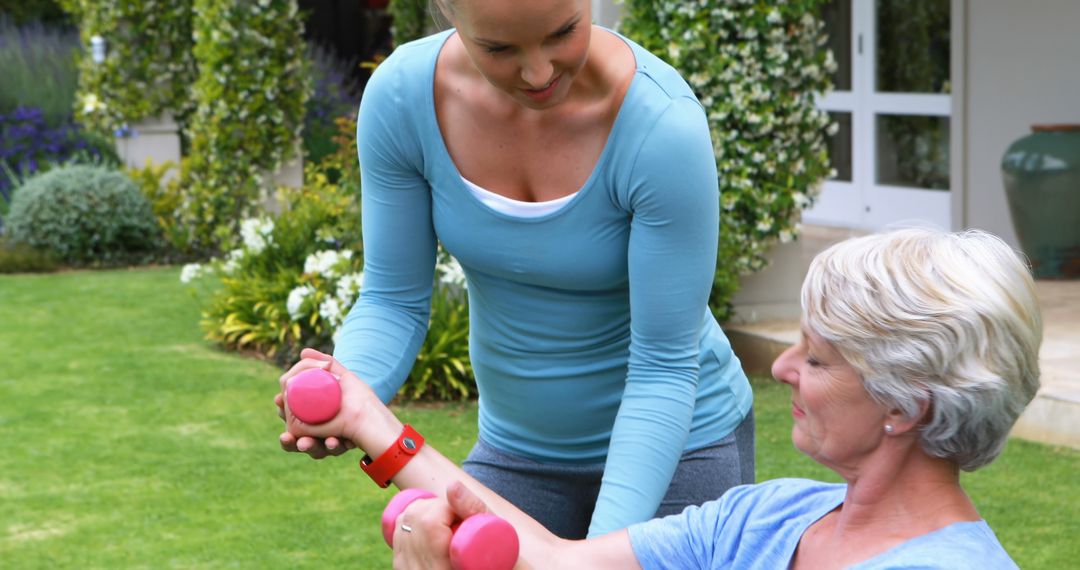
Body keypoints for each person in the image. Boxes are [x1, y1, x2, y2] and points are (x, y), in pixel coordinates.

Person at [277, 227, 1041, 568]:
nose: (779, 371)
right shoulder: (764, 517)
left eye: (816, 358)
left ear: (904, 405)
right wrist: (374, 425)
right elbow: (552, 561)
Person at [277, 0, 754, 539]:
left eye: (562, 33)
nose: (539, 73)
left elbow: (663, 366)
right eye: (499, 48)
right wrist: (346, 390)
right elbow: (393, 299)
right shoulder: (404, 99)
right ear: (447, 13)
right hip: (516, 454)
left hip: (680, 452)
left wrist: (594, 557)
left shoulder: (662, 127)